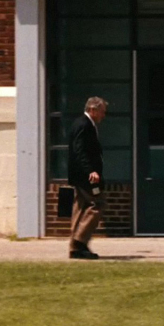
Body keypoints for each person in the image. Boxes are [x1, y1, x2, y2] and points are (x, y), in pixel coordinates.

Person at [68, 96, 107, 260]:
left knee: (81, 206)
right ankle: (80, 242)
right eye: (102, 111)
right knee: (97, 203)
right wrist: (91, 170)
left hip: (80, 175)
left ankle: (75, 248)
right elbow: (79, 150)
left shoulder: (82, 123)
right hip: (87, 177)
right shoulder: (84, 125)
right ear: (92, 109)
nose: (103, 115)